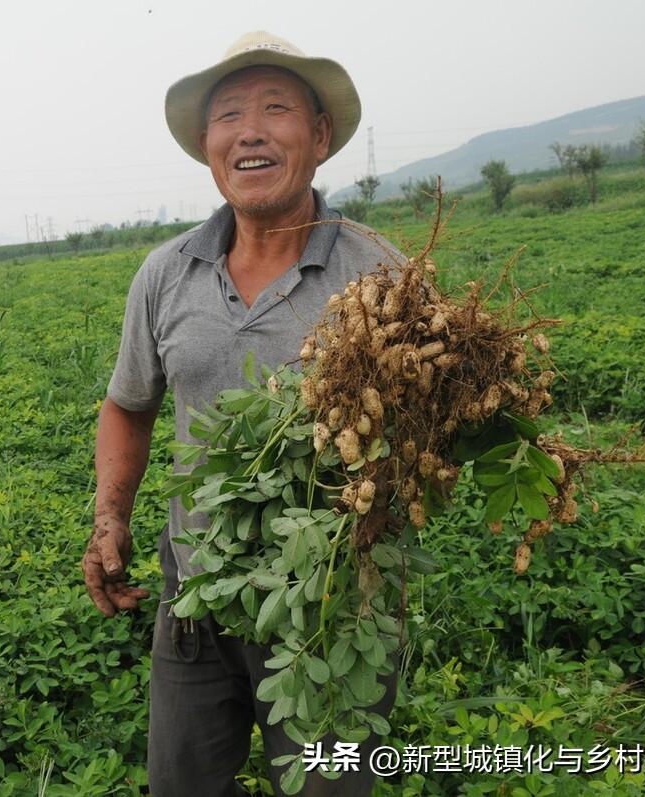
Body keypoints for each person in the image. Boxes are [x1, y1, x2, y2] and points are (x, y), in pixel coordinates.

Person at [83, 32, 404, 796]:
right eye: (229, 115)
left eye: (274, 109)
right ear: (208, 145)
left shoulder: (381, 273)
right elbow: (128, 404)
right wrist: (110, 516)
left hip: (335, 606)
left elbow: (427, 437)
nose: (250, 132)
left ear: (318, 135)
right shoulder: (166, 273)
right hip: (195, 596)